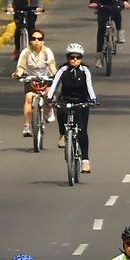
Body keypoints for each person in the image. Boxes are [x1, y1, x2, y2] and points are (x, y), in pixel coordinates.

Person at [50, 43, 97, 175]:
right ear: (68, 58)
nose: (75, 60)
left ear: (81, 58)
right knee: (60, 110)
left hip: (82, 101)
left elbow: (89, 85)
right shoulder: (63, 70)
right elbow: (54, 84)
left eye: (78, 57)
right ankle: (63, 134)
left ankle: (85, 160)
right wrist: (49, 98)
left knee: (82, 131)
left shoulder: (85, 70)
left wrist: (92, 99)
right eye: (72, 57)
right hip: (66, 99)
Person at [12, 28, 57, 138]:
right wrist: (17, 74)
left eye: (39, 39)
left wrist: (55, 74)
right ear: (30, 41)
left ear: (43, 41)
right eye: (34, 38)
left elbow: (51, 65)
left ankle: (49, 110)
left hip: (45, 77)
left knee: (49, 94)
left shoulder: (47, 51)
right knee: (28, 98)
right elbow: (21, 66)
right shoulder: (26, 52)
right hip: (30, 77)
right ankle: (26, 126)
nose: (36, 41)